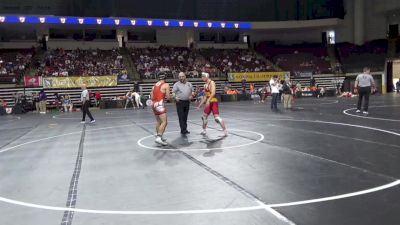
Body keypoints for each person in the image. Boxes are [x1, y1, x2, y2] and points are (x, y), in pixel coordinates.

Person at [198, 72, 227, 136]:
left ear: (206, 77)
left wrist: (208, 100)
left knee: (217, 118)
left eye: (203, 77)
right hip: (209, 102)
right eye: (202, 77)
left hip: (213, 101)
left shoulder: (212, 82)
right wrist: (200, 104)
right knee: (204, 117)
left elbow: (213, 93)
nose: (202, 78)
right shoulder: (205, 85)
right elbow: (205, 96)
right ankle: (204, 130)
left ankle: (225, 132)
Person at [151, 73, 171, 145]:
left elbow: (152, 97)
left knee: (158, 121)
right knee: (164, 122)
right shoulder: (166, 85)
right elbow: (168, 97)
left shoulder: (154, 86)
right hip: (159, 104)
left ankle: (159, 136)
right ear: (165, 78)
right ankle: (159, 138)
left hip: (153, 104)